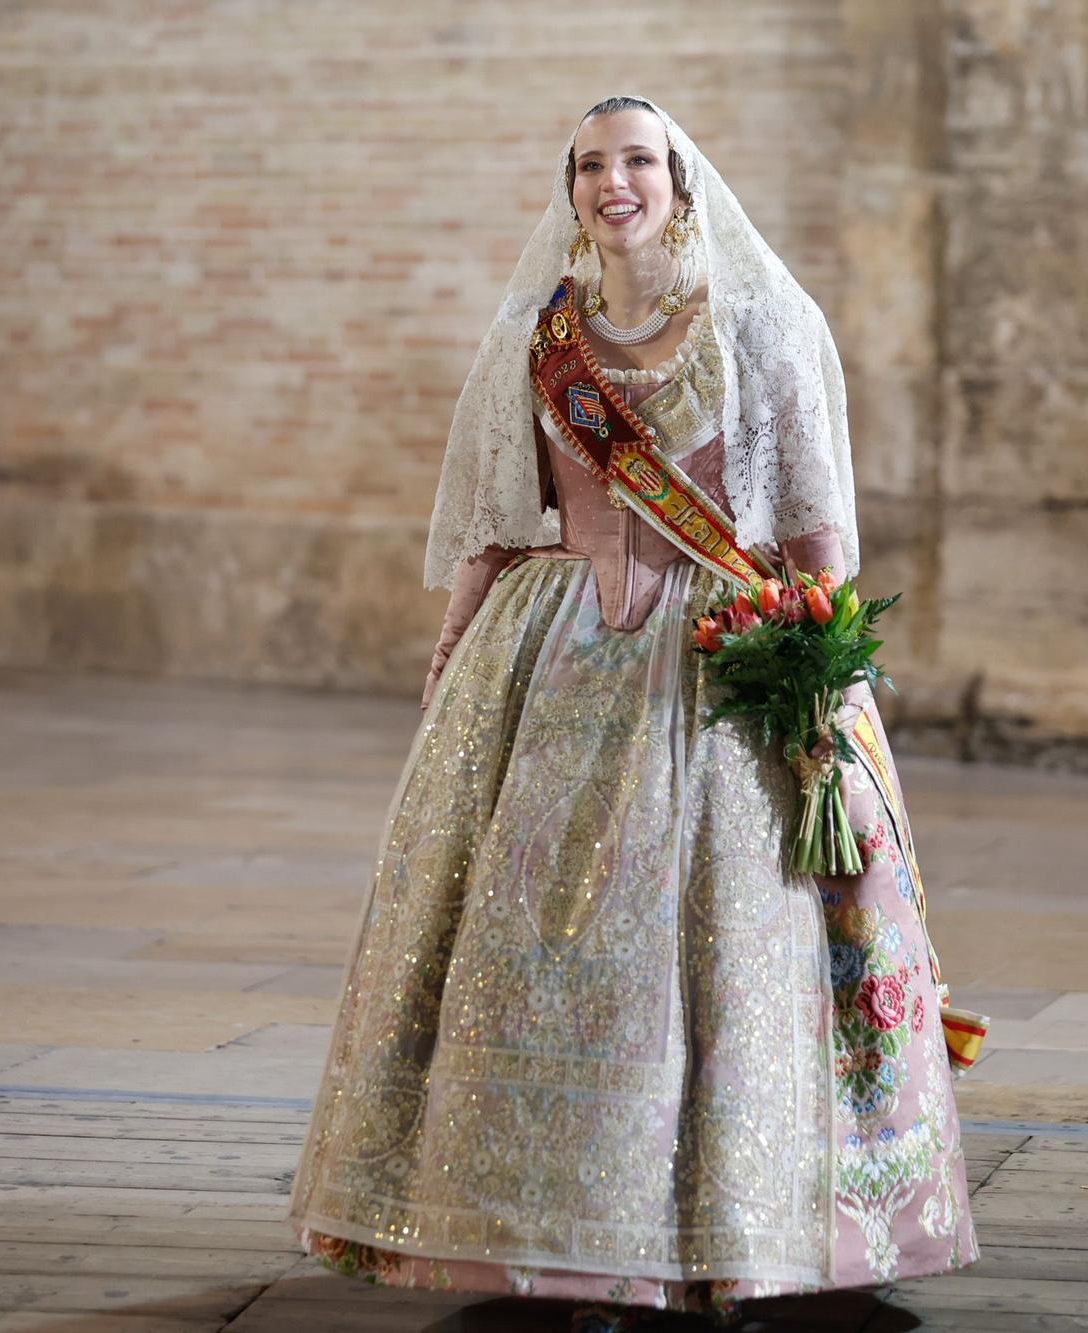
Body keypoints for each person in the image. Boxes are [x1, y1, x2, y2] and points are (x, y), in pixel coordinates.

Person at [287, 98, 977, 1330]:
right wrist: (452, 649)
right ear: (570, 190)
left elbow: (813, 530)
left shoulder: (761, 324)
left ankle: (741, 1226)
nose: (617, 184)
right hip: (552, 665)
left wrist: (823, 676)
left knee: (727, 941)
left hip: (718, 664)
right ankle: (537, 1239)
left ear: (681, 181)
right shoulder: (536, 339)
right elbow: (502, 520)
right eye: (593, 165)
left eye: (639, 162)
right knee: (535, 947)